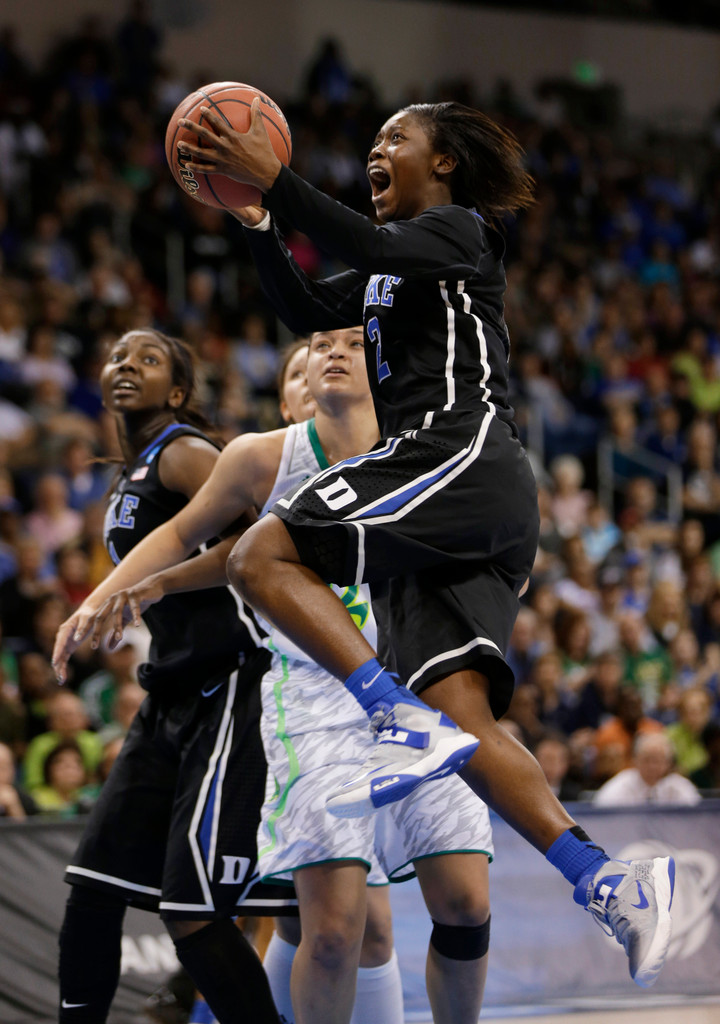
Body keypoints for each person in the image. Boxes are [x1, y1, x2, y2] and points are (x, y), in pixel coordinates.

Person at [172, 97, 675, 987]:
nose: (377, 150)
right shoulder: (387, 272)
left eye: (394, 139)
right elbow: (307, 305)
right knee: (465, 722)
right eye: (372, 141)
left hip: (458, 453)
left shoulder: (460, 231)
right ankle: (608, 882)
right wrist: (258, 221)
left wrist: (275, 178)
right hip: (463, 501)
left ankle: (387, 708)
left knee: (258, 556)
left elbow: (369, 247)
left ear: (443, 164)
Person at [56, 329, 494, 1024]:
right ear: (289, 394)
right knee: (321, 927)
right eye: (310, 352)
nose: (326, 357)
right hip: (298, 694)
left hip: (364, 686)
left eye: (350, 342)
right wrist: (130, 590)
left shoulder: (423, 449)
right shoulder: (257, 458)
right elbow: (219, 545)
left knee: (444, 907)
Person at [52, 328, 286, 1024]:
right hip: (169, 692)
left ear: (177, 392)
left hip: (230, 686)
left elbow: (258, 549)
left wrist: (157, 583)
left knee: (193, 912)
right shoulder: (128, 474)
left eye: (147, 359)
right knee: (92, 888)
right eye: (118, 355)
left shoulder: (185, 453)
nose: (126, 364)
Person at [593, 732, 702, 806]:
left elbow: (696, 816)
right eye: (647, 760)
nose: (652, 766)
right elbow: (602, 812)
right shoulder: (620, 785)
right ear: (635, 761)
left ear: (668, 763)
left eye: (658, 761)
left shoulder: (679, 786)